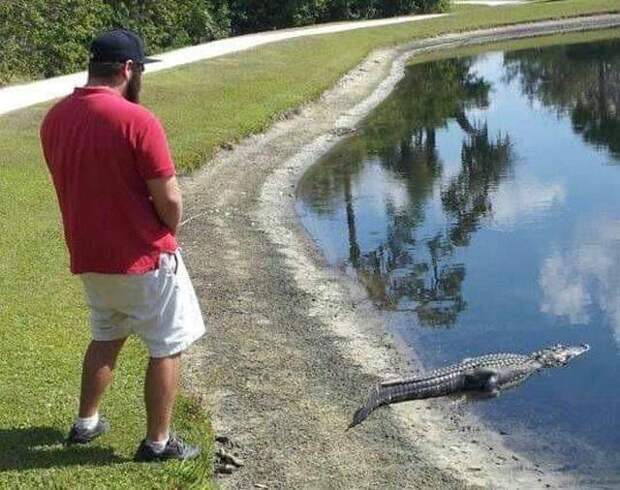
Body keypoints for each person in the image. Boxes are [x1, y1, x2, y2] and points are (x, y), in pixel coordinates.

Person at [40, 29, 206, 462]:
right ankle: (158, 443)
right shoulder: (138, 120)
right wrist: (172, 229)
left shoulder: (54, 118)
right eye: (140, 70)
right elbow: (169, 198)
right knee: (167, 345)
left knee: (106, 336)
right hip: (143, 256)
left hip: (90, 258)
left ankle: (86, 423)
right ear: (128, 69)